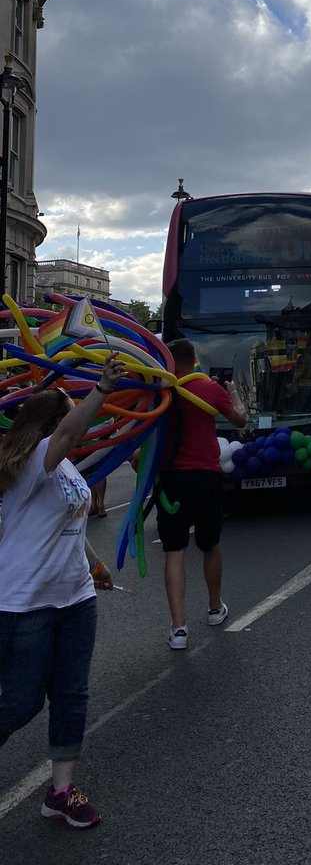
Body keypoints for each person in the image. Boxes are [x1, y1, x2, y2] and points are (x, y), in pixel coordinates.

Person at [0, 353, 128, 829]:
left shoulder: (67, 469)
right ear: (52, 424)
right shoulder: (35, 460)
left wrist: (94, 565)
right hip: (25, 603)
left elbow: (69, 526)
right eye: (69, 411)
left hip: (76, 599)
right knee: (21, 701)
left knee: (72, 695)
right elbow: (72, 433)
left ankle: (60, 792)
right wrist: (102, 388)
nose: (77, 423)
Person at [158, 339, 247, 649]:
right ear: (193, 359)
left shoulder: (161, 391)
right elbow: (240, 420)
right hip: (206, 477)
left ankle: (179, 628)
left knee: (174, 550)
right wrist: (232, 390)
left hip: (171, 480)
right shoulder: (210, 389)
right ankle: (213, 608)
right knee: (210, 544)